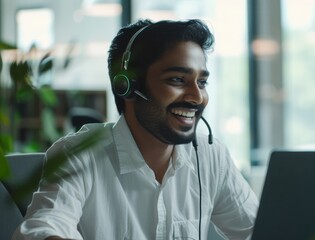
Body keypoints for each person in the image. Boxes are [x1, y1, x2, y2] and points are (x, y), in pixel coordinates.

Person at [13, 19, 259, 240]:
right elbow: (41, 230)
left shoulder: (210, 156)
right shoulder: (78, 154)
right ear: (127, 86)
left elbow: (258, 230)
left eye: (202, 82)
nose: (197, 97)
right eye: (177, 80)